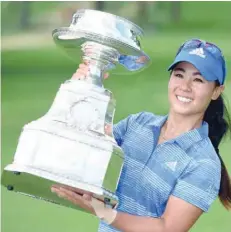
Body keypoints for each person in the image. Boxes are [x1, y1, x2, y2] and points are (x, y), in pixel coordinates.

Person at [51, 38, 231, 232]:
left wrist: (105, 212)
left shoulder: (204, 163)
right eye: (179, 75)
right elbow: (87, 151)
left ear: (216, 91)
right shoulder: (137, 123)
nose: (185, 86)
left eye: (198, 79)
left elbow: (168, 228)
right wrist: (83, 90)